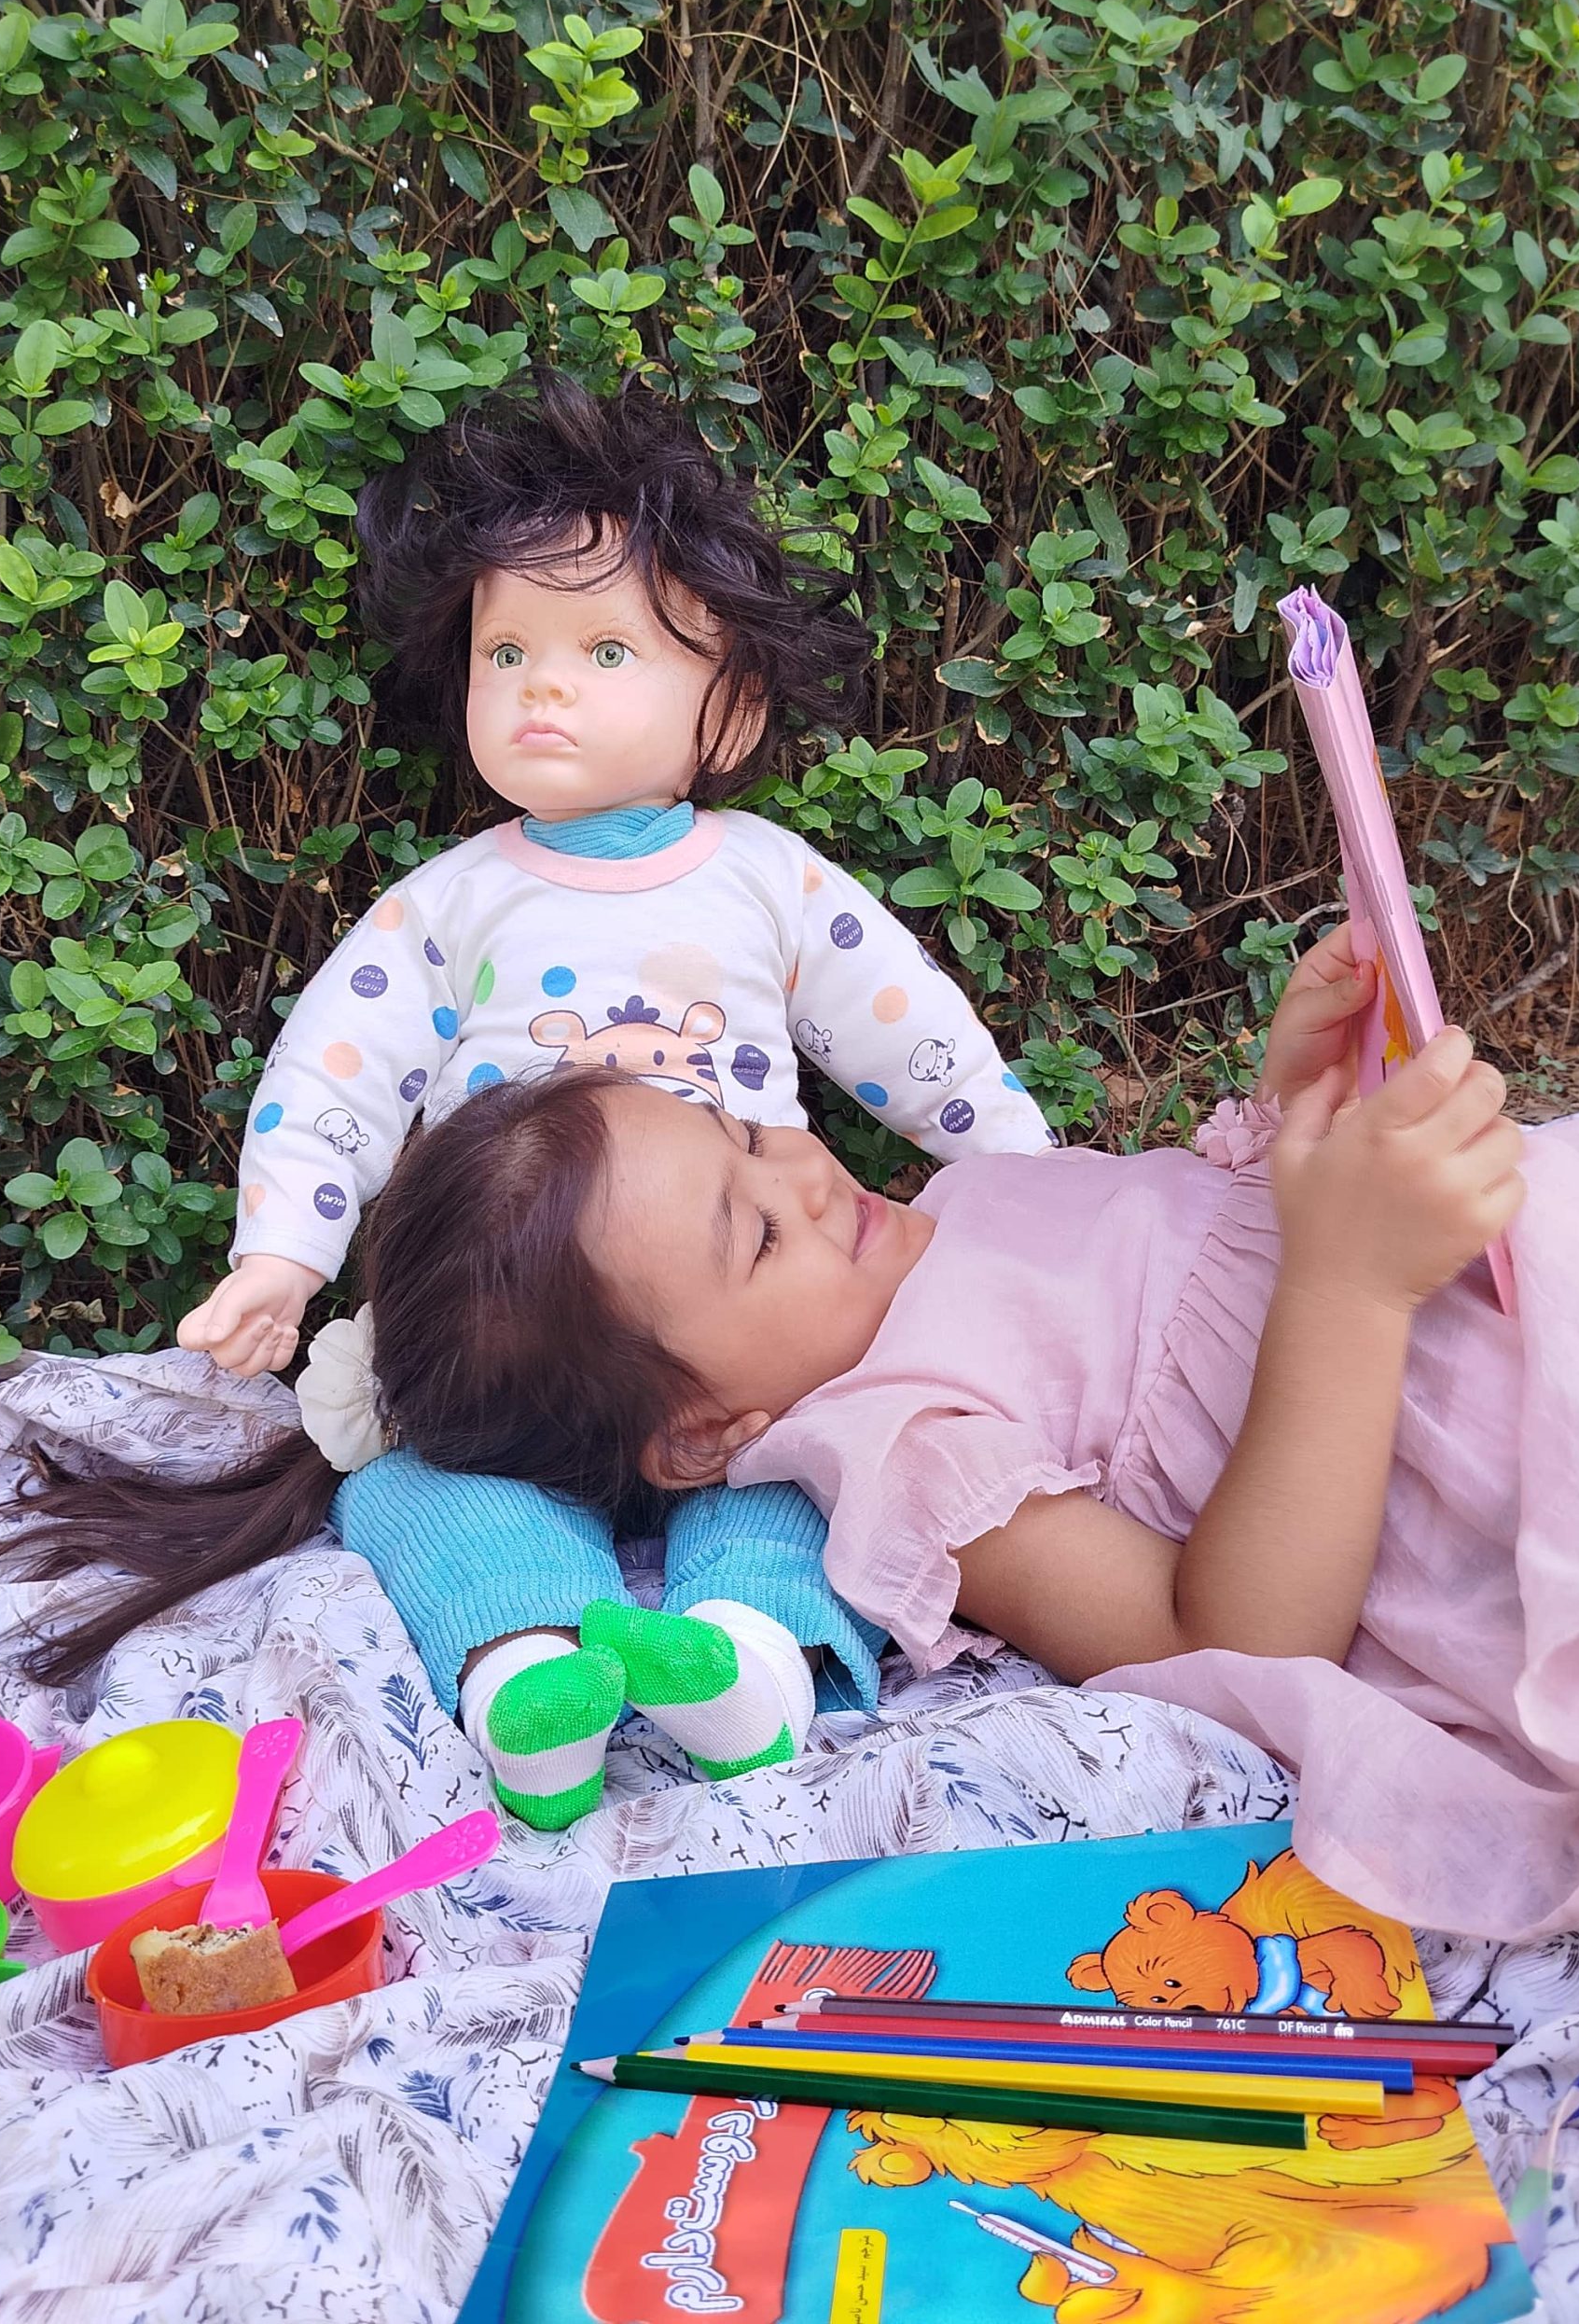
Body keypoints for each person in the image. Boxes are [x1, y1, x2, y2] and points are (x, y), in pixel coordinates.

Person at [0, 929, 1579, 1938]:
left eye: (749, 1135)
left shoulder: (943, 1209)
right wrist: (1351, 1285)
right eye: (753, 1232)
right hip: (1479, 1451)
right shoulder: (899, 1446)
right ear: (708, 1433)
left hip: (1547, 1285)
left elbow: (1171, 1253)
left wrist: (1291, 1114)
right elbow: (1236, 1628)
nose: (808, 1173)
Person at [164, 368, 1051, 1826]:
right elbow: (335, 1071)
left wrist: (1027, 1177)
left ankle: (746, 1663)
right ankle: (524, 1670)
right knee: (418, 1487)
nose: (543, 686)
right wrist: (286, 1252)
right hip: (520, 1349)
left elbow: (918, 1042)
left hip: (735, 1339)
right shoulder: (455, 902)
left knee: (805, 1469)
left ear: (733, 709)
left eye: (606, 649)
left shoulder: (765, 877)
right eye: (506, 651)